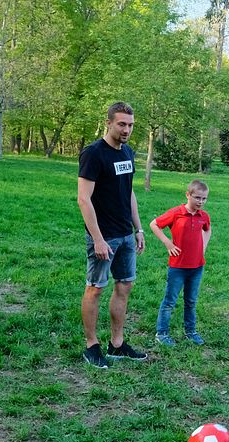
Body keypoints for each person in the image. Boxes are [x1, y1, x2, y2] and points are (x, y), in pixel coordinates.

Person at [77, 101, 148, 369]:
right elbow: (84, 199)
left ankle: (117, 344)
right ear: (108, 122)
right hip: (103, 236)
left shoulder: (128, 153)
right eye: (121, 124)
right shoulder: (94, 154)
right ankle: (91, 346)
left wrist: (138, 229)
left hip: (126, 235)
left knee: (124, 286)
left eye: (130, 125)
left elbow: (129, 193)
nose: (127, 129)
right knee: (95, 289)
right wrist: (97, 238)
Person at [150, 180, 212, 347]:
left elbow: (207, 229)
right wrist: (167, 243)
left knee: (191, 300)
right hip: (178, 267)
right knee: (170, 301)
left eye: (204, 198)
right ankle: (162, 333)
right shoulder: (177, 213)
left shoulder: (203, 216)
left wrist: (203, 247)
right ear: (188, 195)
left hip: (197, 266)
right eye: (197, 197)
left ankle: (190, 331)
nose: (201, 202)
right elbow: (154, 224)